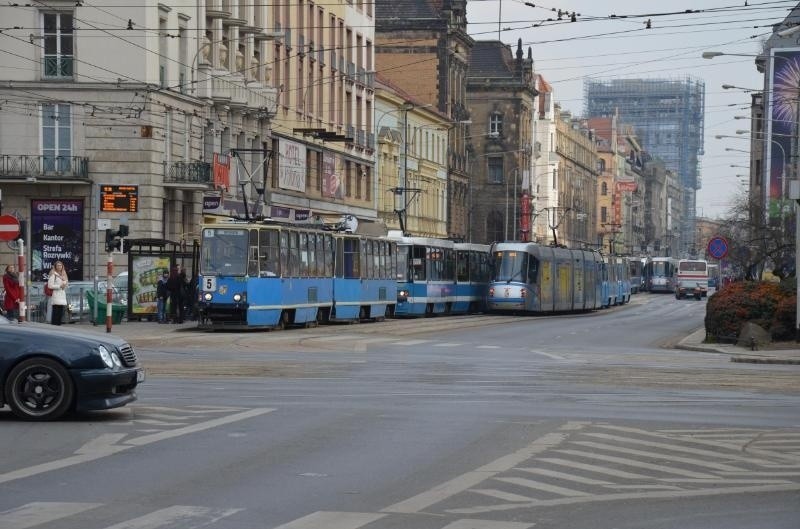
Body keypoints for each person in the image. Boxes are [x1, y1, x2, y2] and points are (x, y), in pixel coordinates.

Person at [47, 260, 68, 325]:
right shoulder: (53, 274)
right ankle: (54, 324)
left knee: (60, 311)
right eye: (58, 265)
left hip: (62, 294)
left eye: (60, 265)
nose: (59, 267)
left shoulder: (64, 274)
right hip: (56, 294)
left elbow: (66, 284)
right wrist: (59, 286)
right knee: (56, 310)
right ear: (55, 266)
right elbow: (50, 285)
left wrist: (65, 286)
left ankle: (58, 324)